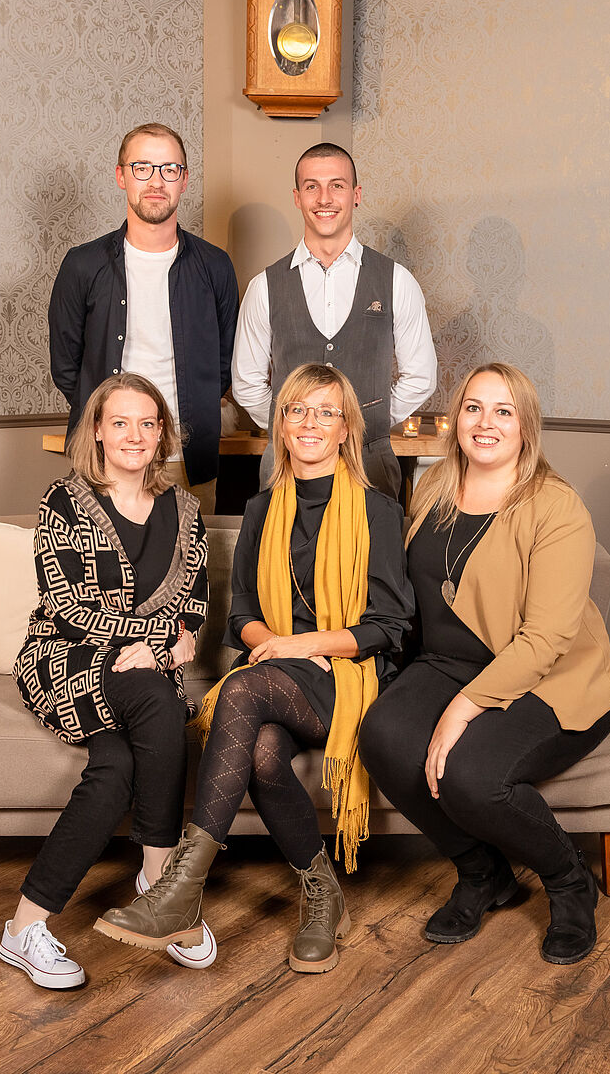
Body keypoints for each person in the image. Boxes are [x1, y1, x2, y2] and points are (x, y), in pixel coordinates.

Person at [94, 364, 413, 973]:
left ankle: (182, 891)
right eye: (297, 410)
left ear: (346, 428)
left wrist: (301, 646)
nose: (310, 423)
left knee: (240, 690)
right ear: (281, 425)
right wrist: (276, 644)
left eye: (326, 412)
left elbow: (389, 626)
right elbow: (241, 611)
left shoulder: (378, 511)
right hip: (276, 677)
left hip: (349, 677)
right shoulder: (262, 508)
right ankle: (323, 895)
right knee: (263, 752)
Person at [358, 363, 610, 965]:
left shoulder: (556, 507)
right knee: (383, 737)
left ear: (526, 426)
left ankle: (568, 880)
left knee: (471, 776)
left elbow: (547, 638)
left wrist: (461, 709)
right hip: (449, 664)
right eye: (473, 407)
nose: (486, 422)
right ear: (456, 420)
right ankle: (483, 874)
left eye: (504, 411)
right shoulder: (433, 487)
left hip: (551, 677)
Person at [1, 373, 216, 989]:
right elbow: (70, 606)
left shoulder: (185, 510)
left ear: (162, 433)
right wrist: (161, 645)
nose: (135, 435)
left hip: (143, 668)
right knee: (157, 700)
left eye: (148, 423)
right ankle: (162, 883)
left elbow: (195, 602)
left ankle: (24, 927)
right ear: (97, 429)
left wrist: (176, 640)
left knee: (117, 766)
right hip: (66, 657)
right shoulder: (64, 502)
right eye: (120, 422)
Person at [49, 123, 239, 514]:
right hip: (102, 456)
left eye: (169, 169)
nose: (156, 181)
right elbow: (66, 366)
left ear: (184, 180)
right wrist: (112, 423)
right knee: (98, 553)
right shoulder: (82, 265)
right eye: (142, 168)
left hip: (186, 457)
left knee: (189, 552)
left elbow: (225, 364)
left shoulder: (215, 266)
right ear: (122, 176)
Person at [231, 143, 437, 499]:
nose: (324, 198)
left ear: (356, 195)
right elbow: (246, 383)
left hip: (370, 464)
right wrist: (294, 429)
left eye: (336, 185)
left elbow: (421, 376)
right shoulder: (264, 286)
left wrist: (366, 423)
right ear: (297, 197)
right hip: (286, 466)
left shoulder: (396, 281)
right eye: (312, 186)